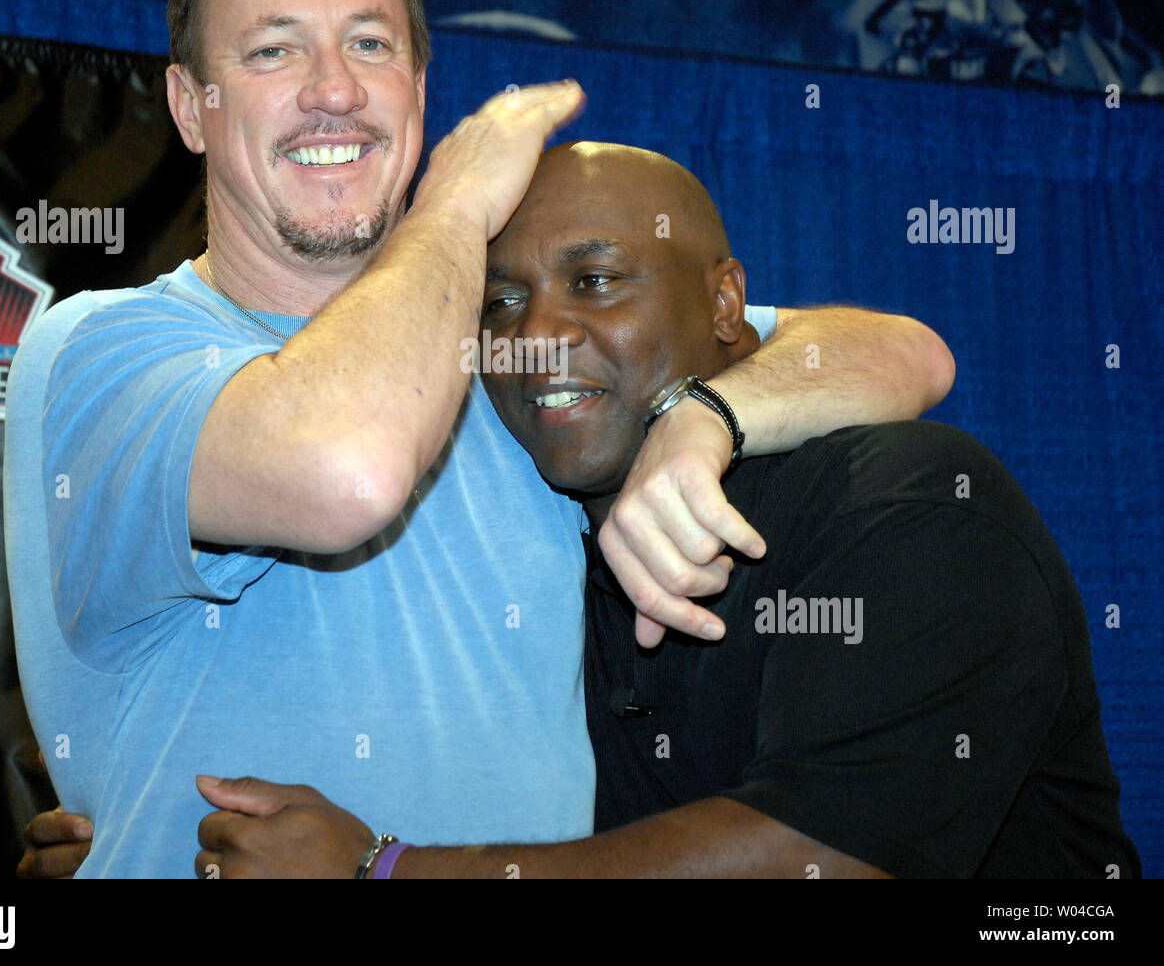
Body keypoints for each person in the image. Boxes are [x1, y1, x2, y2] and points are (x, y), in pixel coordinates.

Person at [6, 0, 954, 878]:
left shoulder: (512, 352)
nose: (333, 88)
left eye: (369, 45)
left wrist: (704, 415)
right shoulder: (104, 353)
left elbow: (901, 352)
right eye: (274, 49)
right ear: (191, 108)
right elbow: (346, 469)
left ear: (419, 89)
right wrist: (454, 203)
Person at [165, 142, 1132, 878]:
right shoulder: (541, 550)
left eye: (596, 282)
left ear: (726, 306)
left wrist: (385, 870)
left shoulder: (908, 504)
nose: (539, 336)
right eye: (500, 304)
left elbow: (816, 862)